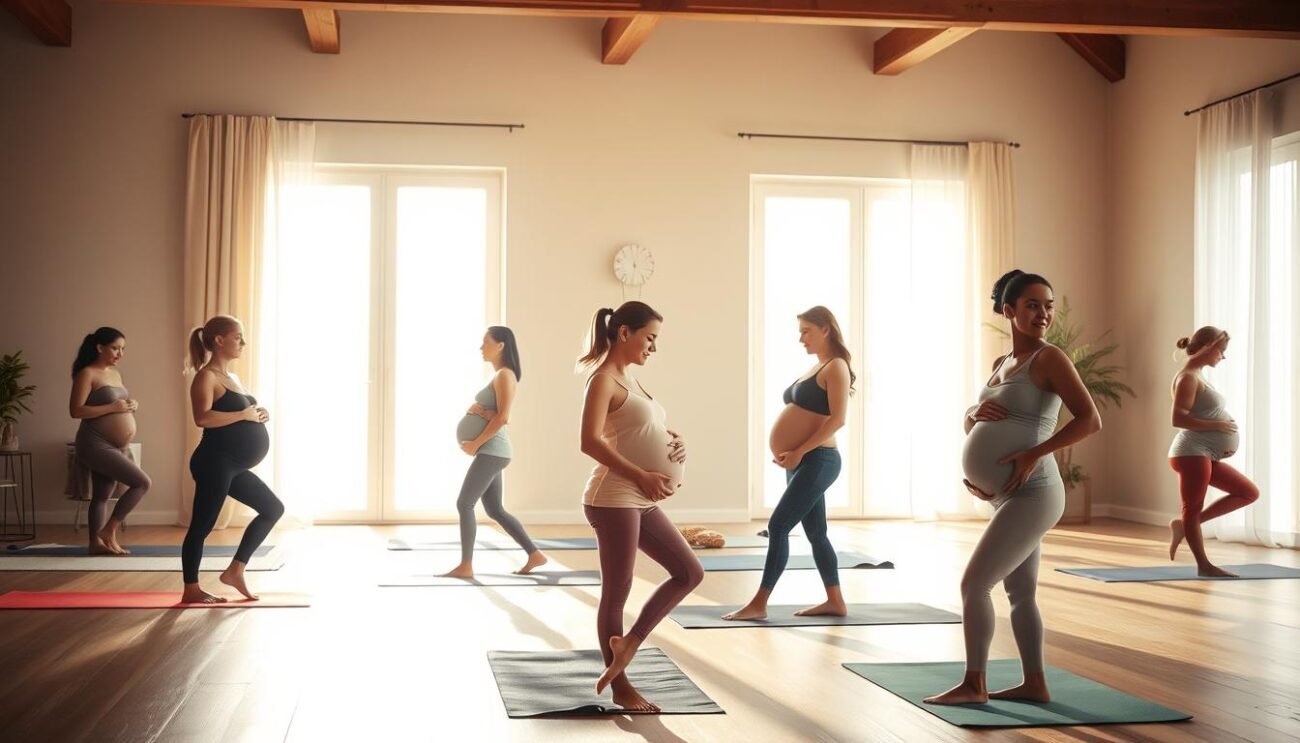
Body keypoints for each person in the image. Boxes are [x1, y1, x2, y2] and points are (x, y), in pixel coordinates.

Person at [925, 270, 1101, 706]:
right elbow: (980, 422)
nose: (1043, 314)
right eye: (1032, 305)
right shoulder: (1001, 364)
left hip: (1036, 491)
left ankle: (975, 684)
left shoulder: (1050, 358)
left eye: (1048, 305)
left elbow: (1089, 420)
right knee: (1019, 592)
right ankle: (1035, 684)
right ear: (1009, 311)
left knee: (973, 585)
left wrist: (1034, 454)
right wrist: (972, 418)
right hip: (1006, 495)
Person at [578, 302, 701, 713]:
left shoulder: (630, 379)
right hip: (613, 498)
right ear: (625, 333)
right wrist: (643, 475)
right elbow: (590, 442)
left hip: (639, 500)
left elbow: (638, 429)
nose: (654, 347)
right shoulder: (603, 381)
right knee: (617, 592)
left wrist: (673, 438)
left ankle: (629, 643)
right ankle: (621, 688)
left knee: (689, 572)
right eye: (650, 338)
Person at [724, 306, 852, 621]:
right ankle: (835, 600)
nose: (801, 339)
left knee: (778, 526)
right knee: (817, 533)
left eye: (806, 331)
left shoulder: (836, 367)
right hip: (802, 461)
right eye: (800, 332)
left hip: (820, 459)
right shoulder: (817, 367)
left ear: (826, 329)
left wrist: (798, 450)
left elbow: (838, 419)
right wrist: (792, 453)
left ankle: (759, 603)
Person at [182, 315, 284, 604]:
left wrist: (259, 412)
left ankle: (235, 570)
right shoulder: (206, 376)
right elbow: (202, 417)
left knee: (272, 508)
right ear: (219, 340)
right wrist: (243, 414)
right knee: (202, 526)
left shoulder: (232, 378)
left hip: (234, 466)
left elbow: (242, 413)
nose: (242, 342)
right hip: (214, 461)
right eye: (238, 336)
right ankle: (191, 588)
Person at [442, 326, 547, 578]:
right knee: (494, 510)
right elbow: (497, 413)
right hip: (492, 451)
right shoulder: (501, 375)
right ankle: (535, 554)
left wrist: (475, 443)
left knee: (464, 503)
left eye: (485, 342)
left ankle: (466, 565)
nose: (481, 347)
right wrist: (478, 411)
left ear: (500, 345)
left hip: (492, 451)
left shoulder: (504, 375)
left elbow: (503, 417)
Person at [1167, 327, 1257, 577]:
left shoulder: (1198, 376)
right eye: (1222, 350)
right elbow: (1178, 418)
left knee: (1248, 492)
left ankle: (1184, 526)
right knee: (1192, 508)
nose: (1223, 356)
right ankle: (1204, 565)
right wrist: (1217, 426)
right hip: (1191, 452)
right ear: (1209, 346)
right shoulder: (1187, 378)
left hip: (1203, 453)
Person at [69, 327, 151, 555]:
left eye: (123, 349)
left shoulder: (115, 374)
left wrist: (131, 405)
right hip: (94, 443)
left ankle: (95, 544)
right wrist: (113, 407)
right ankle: (109, 531)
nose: (120, 353)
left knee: (102, 496)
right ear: (99, 348)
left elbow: (118, 403)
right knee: (142, 483)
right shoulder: (87, 374)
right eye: (115, 348)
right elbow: (76, 411)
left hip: (116, 445)